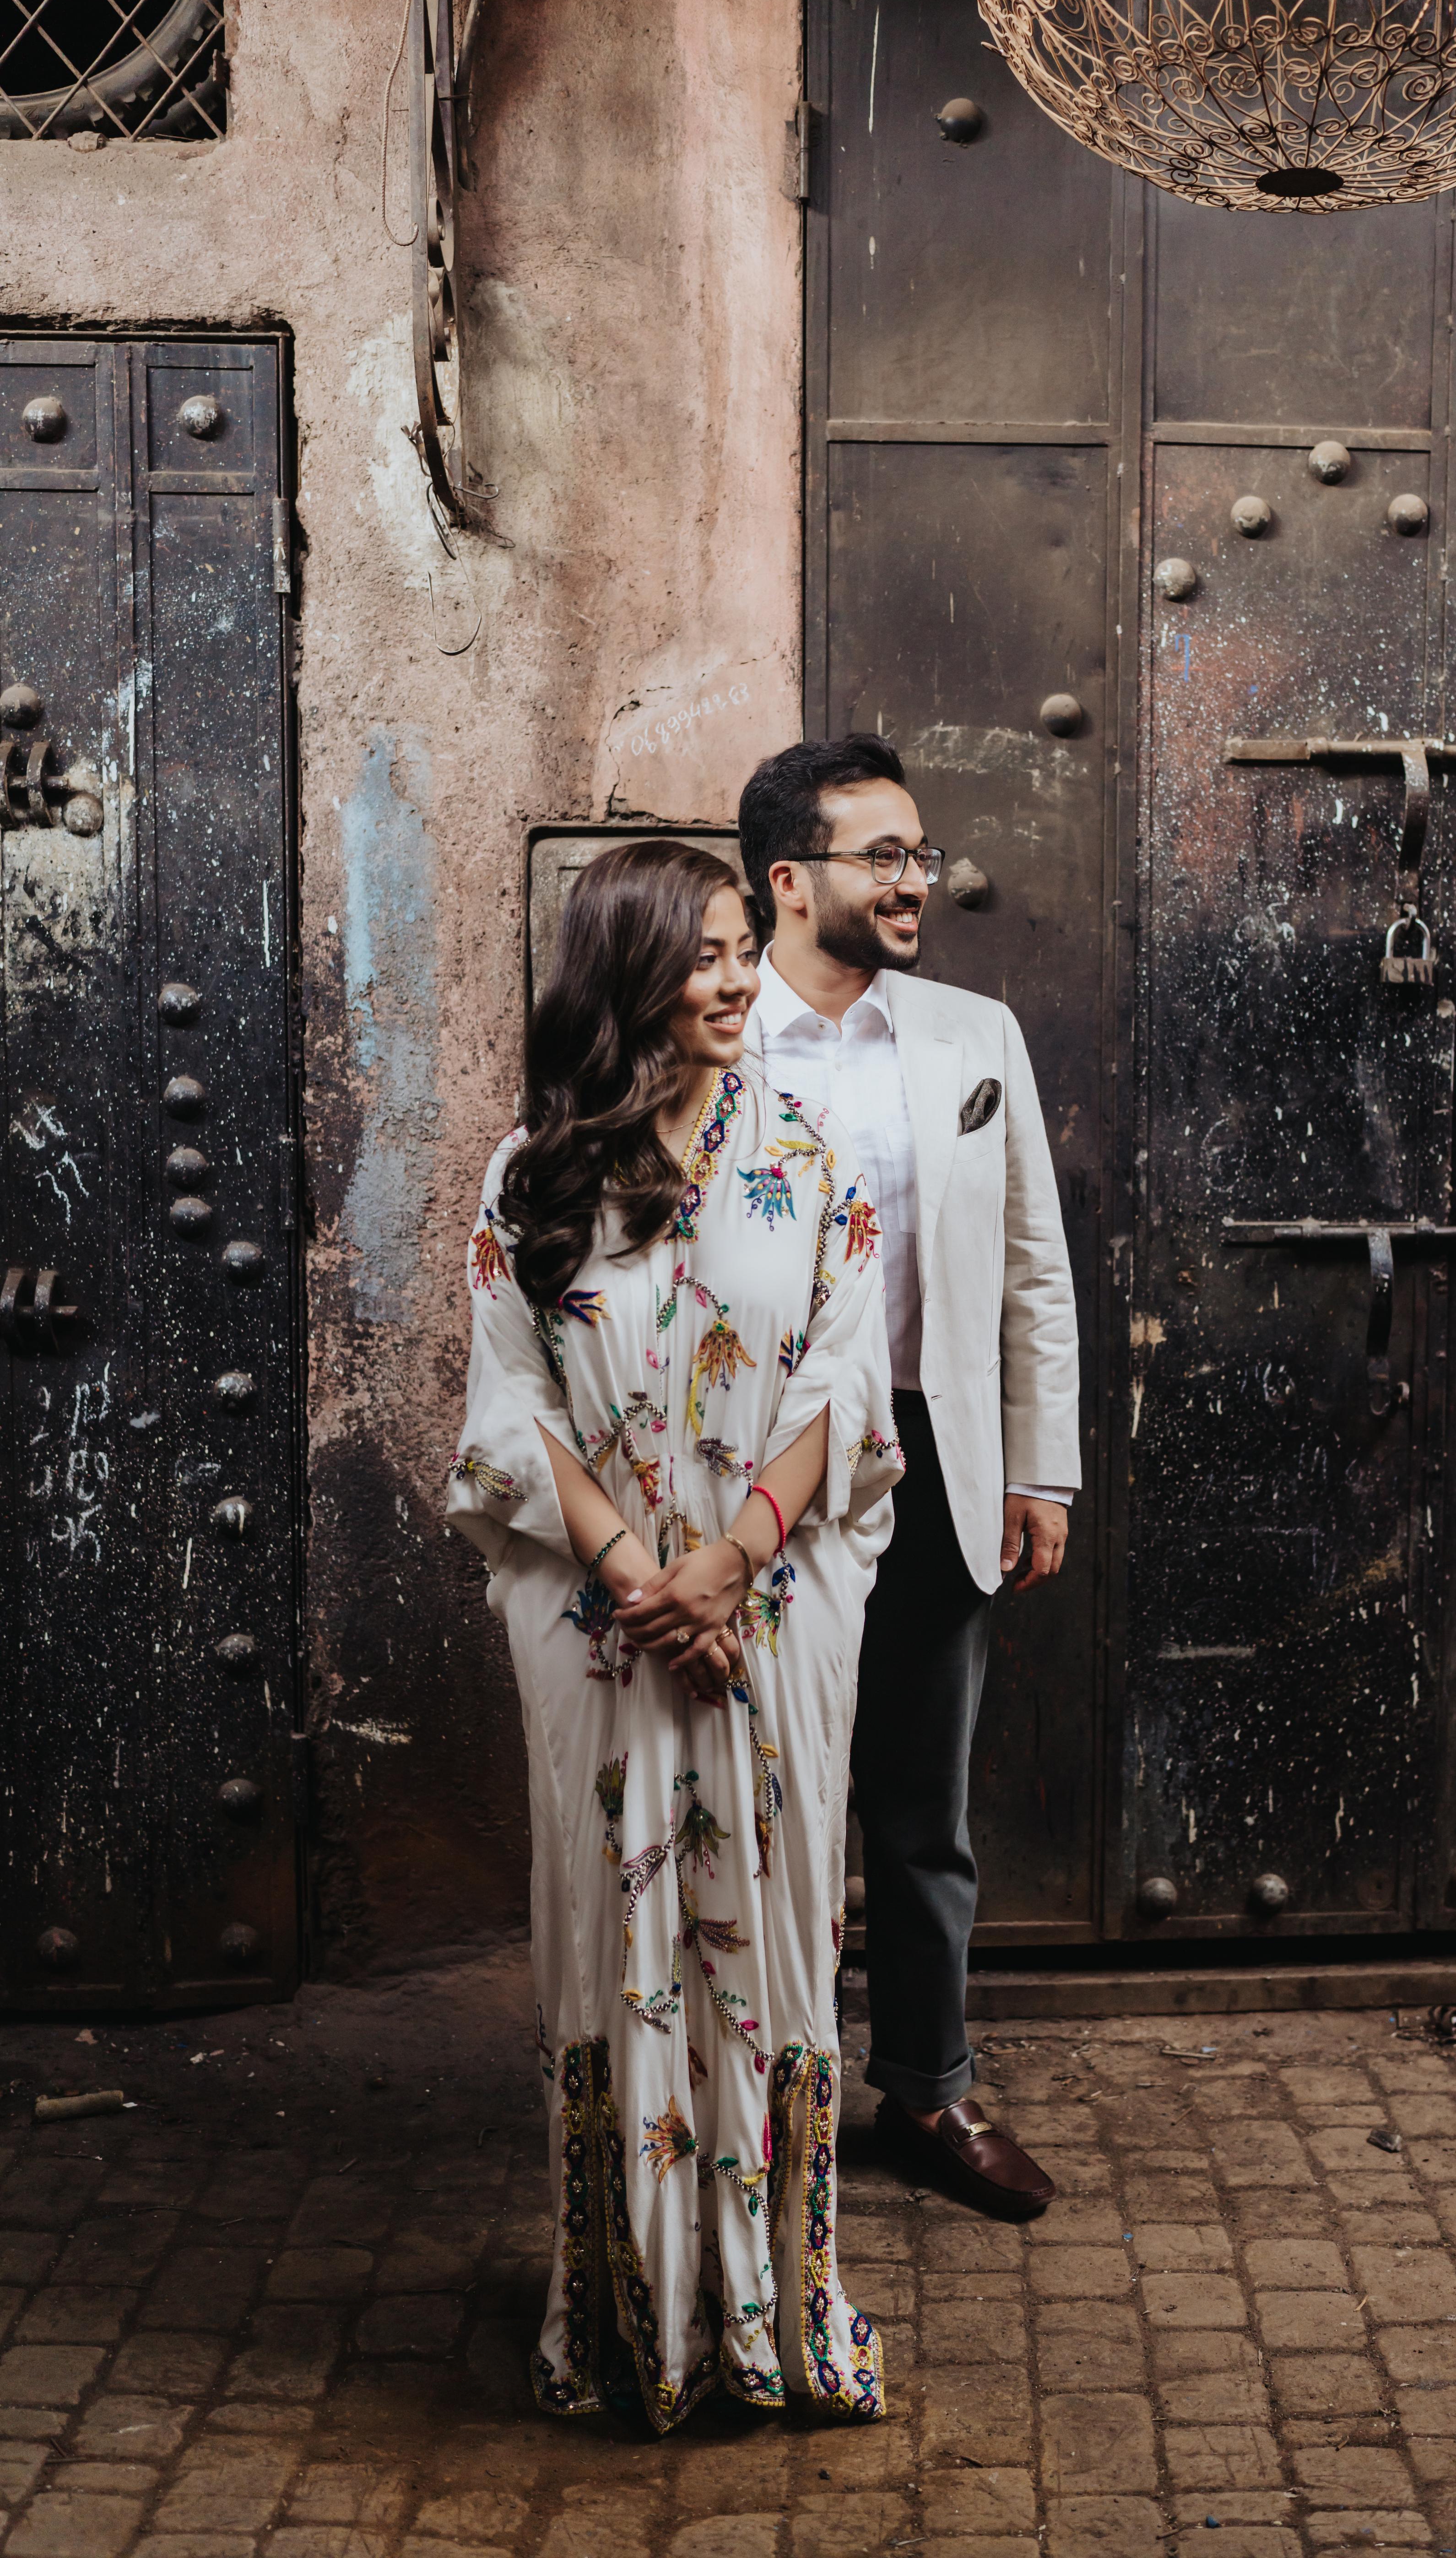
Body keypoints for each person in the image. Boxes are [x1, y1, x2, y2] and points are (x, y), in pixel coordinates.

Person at [446, 839, 901, 2432]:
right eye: (701, 951)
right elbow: (511, 1414)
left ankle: (778, 2310)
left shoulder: (816, 1151)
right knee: (610, 1942)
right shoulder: (535, 1178)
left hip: (768, 1617)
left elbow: (844, 1388)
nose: (731, 977)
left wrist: (731, 1569)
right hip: (603, 1628)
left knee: (776, 1952)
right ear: (627, 970)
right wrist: (650, 1578)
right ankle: (627, 2311)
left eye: (736, 949)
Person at [738, 736, 1081, 2222]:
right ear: (789, 879)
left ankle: (930, 2093)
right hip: (751, 1473)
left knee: (920, 1810)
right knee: (759, 1803)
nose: (915, 881)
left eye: (921, 855)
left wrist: (1043, 1471)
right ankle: (760, 2098)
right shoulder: (706, 1030)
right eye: (884, 856)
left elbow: (1029, 1271)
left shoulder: (968, 1035)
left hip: (936, 1457)